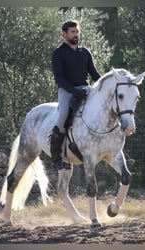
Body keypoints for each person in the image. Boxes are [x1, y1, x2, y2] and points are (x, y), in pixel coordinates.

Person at [50, 19, 101, 170]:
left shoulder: (85, 52)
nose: (76, 34)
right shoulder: (58, 53)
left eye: (77, 31)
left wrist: (106, 85)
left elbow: (94, 74)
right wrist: (74, 91)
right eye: (72, 32)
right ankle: (56, 156)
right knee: (64, 114)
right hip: (66, 91)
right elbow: (59, 78)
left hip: (85, 90)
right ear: (64, 34)